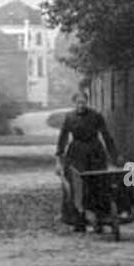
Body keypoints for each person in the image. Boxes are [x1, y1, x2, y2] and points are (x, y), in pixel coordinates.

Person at [57, 91, 121, 232]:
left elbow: (106, 135)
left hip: (95, 154)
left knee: (98, 185)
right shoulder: (69, 117)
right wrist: (59, 158)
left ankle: (100, 219)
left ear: (87, 102)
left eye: (83, 102)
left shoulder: (96, 116)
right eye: (78, 102)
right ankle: (78, 221)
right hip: (76, 155)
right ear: (74, 103)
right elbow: (63, 138)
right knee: (76, 187)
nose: (81, 105)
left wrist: (115, 156)